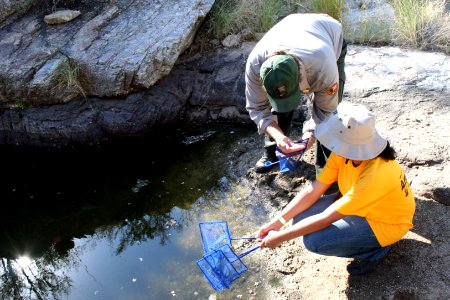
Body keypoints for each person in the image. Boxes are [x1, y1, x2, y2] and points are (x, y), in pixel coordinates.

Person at [256, 102, 416, 275]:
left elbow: (326, 218)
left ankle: (375, 250)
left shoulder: (374, 176)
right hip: (363, 207)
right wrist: (278, 222)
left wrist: (280, 238)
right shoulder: (347, 152)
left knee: (315, 242)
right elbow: (314, 189)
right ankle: (360, 239)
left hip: (386, 222)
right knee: (300, 217)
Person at [245, 13, 347, 175]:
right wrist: (279, 137)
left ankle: (325, 168)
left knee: (330, 117)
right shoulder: (255, 66)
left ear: (301, 76)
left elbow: (324, 111)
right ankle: (272, 152)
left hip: (327, 32)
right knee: (279, 109)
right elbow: (257, 109)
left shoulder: (323, 67)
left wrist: (308, 139)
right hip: (291, 26)